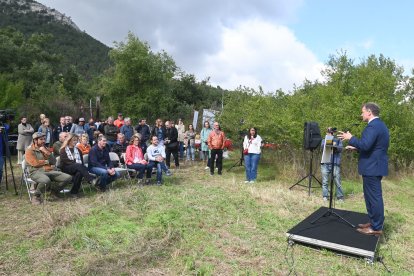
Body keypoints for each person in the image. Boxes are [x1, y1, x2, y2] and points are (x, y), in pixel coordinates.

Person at [338, 102, 389, 236]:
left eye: (362, 112)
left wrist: (351, 138)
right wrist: (357, 147)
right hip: (375, 166)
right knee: (371, 197)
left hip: (372, 168)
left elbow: (366, 145)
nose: (361, 114)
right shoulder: (380, 125)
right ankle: (373, 222)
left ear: (369, 112)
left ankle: (376, 228)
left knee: (374, 198)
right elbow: (372, 147)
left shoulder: (372, 126)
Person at [25, 132, 72, 204]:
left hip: (49, 170)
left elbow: (53, 162)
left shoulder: (45, 148)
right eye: (41, 139)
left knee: (68, 177)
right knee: (46, 180)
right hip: (36, 171)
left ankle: (53, 192)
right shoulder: (29, 150)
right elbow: (35, 163)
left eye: (44, 139)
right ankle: (36, 196)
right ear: (35, 140)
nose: (44, 141)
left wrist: (47, 153)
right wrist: (47, 161)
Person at [319, 128, 344, 201]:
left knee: (337, 181)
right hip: (325, 163)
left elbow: (340, 149)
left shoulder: (338, 140)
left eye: (331, 132)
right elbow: (324, 147)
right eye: (329, 132)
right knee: (325, 181)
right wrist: (330, 139)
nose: (330, 133)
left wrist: (334, 145)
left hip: (335, 163)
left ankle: (340, 197)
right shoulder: (324, 140)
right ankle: (325, 196)